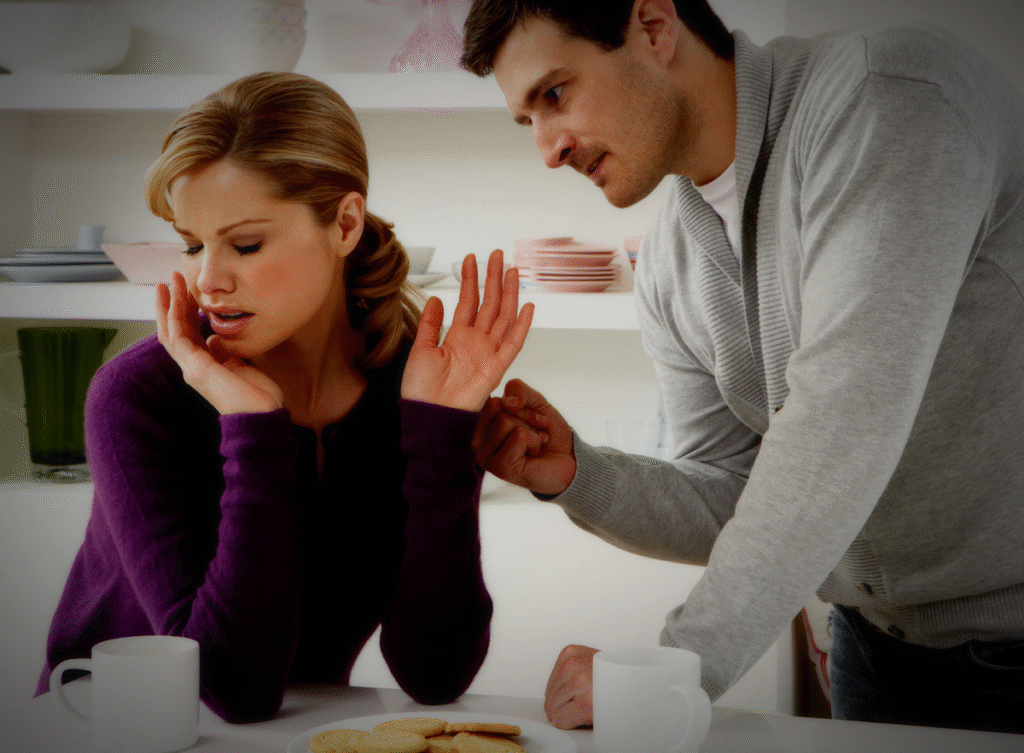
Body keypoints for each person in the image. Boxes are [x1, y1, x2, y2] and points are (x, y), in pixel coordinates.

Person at [462, 0, 1024, 734]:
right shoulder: (669, 258)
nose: (547, 150)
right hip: (871, 647)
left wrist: (670, 669)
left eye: (555, 94)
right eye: (526, 120)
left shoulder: (888, 98)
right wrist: (579, 474)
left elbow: (840, 428)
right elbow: (734, 492)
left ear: (654, 26)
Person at [36, 71, 534, 723]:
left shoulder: (413, 382)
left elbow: (435, 673)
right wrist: (253, 429)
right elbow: (229, 687)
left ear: (345, 224)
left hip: (288, 735)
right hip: (104, 727)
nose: (207, 279)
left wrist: (442, 437)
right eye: (192, 244)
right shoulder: (139, 397)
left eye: (245, 244)